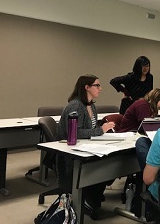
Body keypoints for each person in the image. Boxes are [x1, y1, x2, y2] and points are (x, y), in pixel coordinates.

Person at [56, 74, 116, 220]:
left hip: (88, 148)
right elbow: (75, 132)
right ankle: (90, 200)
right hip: (71, 155)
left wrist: (102, 129)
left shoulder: (91, 106)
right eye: (97, 85)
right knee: (103, 166)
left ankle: (92, 198)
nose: (100, 89)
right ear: (87, 88)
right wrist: (101, 130)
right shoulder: (75, 106)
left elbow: (90, 130)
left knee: (110, 162)